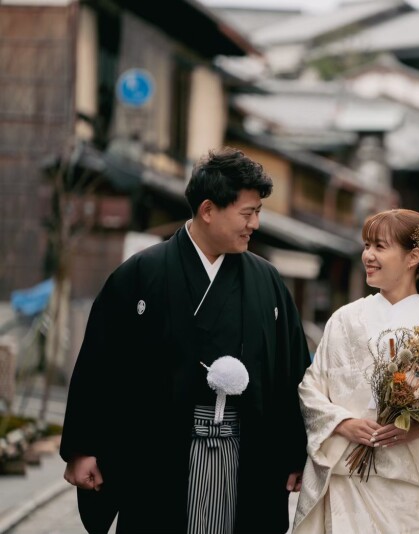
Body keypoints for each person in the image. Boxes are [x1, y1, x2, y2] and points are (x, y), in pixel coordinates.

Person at [60, 147, 311, 534]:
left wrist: (295, 450)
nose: (255, 224)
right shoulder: (141, 275)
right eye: (248, 213)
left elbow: (292, 369)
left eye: (258, 212)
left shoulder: (267, 282)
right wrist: (83, 447)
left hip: (246, 453)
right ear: (208, 210)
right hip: (158, 454)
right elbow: (100, 364)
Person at [292, 208, 419, 534]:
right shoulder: (345, 319)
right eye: (366, 245)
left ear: (413, 257)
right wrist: (342, 423)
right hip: (347, 483)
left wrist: (416, 427)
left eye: (380, 246)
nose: (368, 256)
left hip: (409, 490)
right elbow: (311, 387)